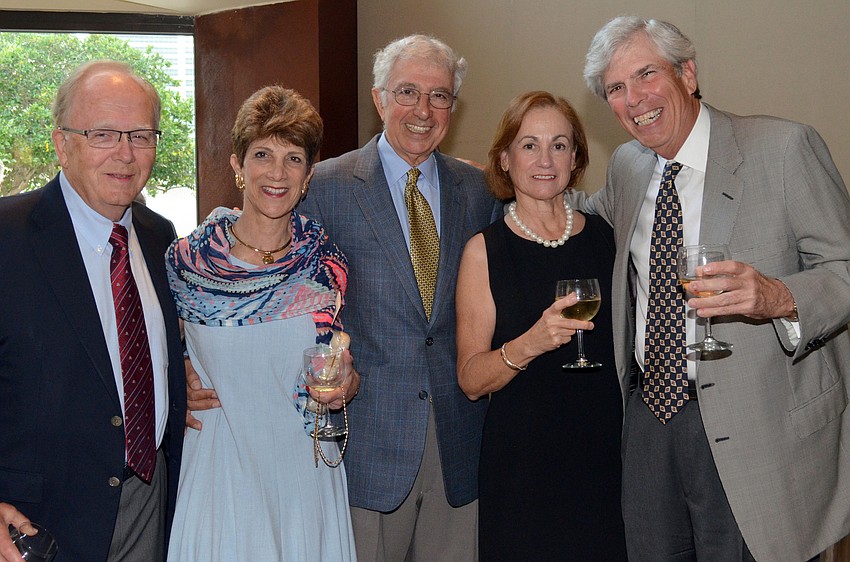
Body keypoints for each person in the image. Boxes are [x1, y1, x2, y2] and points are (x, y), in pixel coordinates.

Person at [187, 35, 502, 561]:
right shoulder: (323, 185)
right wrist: (188, 363)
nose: (423, 110)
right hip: (360, 454)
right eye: (407, 92)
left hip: (457, 448)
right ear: (379, 99)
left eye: (440, 95)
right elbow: (240, 269)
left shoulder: (479, 191)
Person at [574, 16, 850, 562]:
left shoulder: (783, 148)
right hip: (651, 421)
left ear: (688, 73)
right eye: (616, 89)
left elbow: (843, 267)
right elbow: (580, 214)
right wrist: (495, 179)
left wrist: (778, 297)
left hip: (760, 426)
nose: (635, 99)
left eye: (647, 74)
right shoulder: (629, 167)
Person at [0, 60, 187, 562]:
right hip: (36, 524)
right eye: (103, 134)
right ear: (63, 144)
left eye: (141, 135)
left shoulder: (157, 236)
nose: (125, 154)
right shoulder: (6, 236)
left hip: (150, 504)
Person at [165, 86, 358, 561]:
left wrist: (346, 384)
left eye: (293, 159)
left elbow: (334, 364)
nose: (277, 173)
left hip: (303, 475)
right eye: (262, 155)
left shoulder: (324, 265)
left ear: (309, 174)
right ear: (237, 165)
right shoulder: (186, 264)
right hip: (220, 478)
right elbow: (151, 356)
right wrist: (179, 379)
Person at [456, 91, 626, 561]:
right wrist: (529, 344)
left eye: (559, 144)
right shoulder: (483, 251)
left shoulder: (607, 238)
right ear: (505, 159)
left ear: (576, 158)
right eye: (529, 145)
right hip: (523, 466)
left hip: (605, 458)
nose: (545, 159)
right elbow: (470, 380)